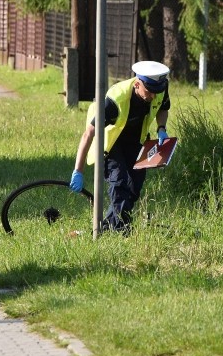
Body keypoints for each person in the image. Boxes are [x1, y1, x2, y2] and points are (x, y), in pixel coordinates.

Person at [70, 61, 171, 233]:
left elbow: (163, 108)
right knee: (120, 182)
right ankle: (118, 229)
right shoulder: (115, 101)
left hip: (137, 140)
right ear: (137, 83)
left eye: (157, 92)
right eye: (150, 92)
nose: (154, 96)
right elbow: (89, 134)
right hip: (111, 143)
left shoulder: (158, 88)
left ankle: (109, 228)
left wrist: (162, 128)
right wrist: (78, 171)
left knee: (135, 185)